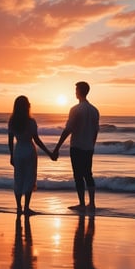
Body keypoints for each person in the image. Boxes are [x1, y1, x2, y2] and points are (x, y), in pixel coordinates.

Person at [53, 82, 100, 211]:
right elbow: (96, 131)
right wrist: (92, 145)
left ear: (80, 91)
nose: (75, 92)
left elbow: (68, 130)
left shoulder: (75, 109)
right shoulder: (95, 110)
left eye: (76, 90)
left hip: (77, 146)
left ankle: (82, 203)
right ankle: (92, 203)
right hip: (89, 147)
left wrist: (57, 148)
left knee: (78, 176)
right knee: (88, 174)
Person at [8, 95, 54, 215]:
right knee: (29, 178)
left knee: (18, 179)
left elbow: (10, 140)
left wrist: (11, 155)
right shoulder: (31, 122)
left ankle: (19, 207)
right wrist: (49, 153)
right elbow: (37, 140)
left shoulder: (12, 122)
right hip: (29, 150)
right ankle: (27, 207)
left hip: (18, 151)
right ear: (27, 106)